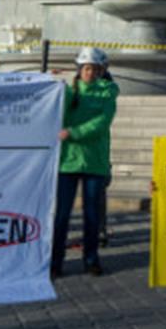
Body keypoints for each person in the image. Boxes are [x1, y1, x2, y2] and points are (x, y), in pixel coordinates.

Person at [55, 46, 118, 278]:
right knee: (62, 214)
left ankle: (91, 259)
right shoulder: (71, 90)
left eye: (95, 69)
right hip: (68, 162)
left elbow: (101, 122)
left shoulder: (108, 91)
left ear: (102, 71)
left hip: (94, 161)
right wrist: (54, 87)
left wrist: (72, 133)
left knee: (92, 215)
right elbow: (57, 108)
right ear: (79, 69)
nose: (90, 73)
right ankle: (55, 262)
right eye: (86, 68)